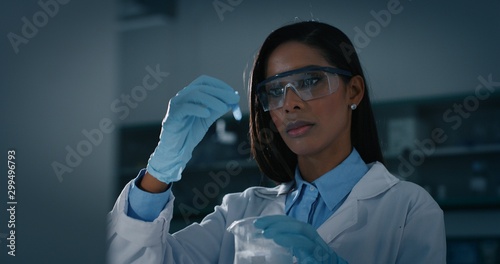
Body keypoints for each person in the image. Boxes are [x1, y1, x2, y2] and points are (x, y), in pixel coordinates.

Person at [107, 21, 446, 263]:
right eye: (274, 90)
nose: (289, 103)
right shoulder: (239, 213)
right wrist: (161, 169)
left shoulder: (409, 208)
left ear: (353, 91)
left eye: (311, 80)